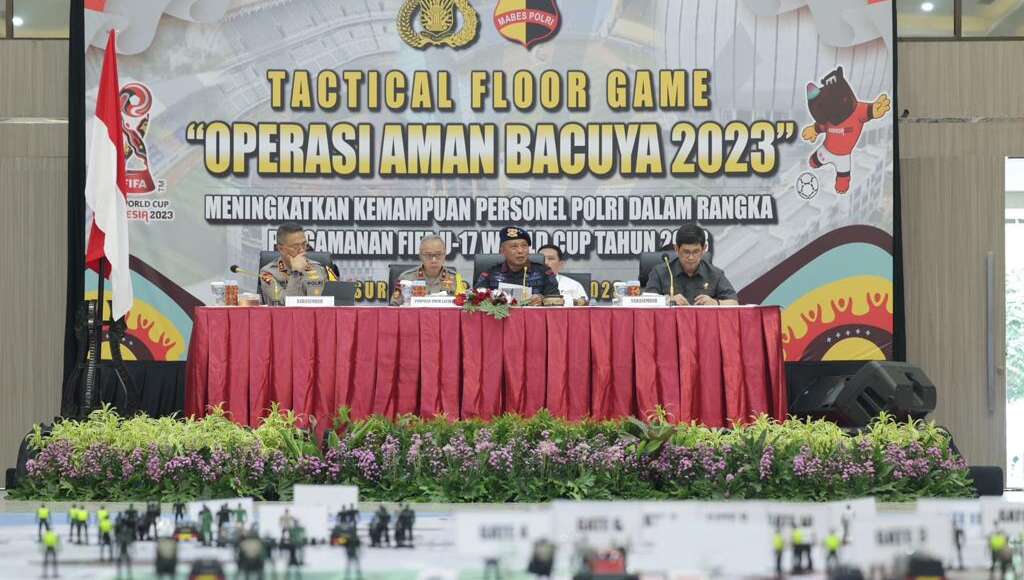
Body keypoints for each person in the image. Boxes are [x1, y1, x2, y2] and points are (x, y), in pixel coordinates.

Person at [644, 224, 738, 306]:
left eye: (696, 252)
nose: (691, 257)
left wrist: (715, 303)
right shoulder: (660, 272)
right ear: (676, 249)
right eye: (686, 252)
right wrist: (668, 300)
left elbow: (734, 302)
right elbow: (646, 301)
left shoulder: (715, 274)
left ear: (704, 249)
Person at [475, 226, 559, 305]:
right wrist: (492, 300)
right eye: (514, 247)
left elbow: (556, 300)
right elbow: (476, 299)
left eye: (524, 246)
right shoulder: (490, 274)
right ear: (502, 251)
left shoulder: (544, 272)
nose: (520, 251)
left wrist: (542, 299)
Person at [260, 223, 329, 303]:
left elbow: (330, 302)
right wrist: (295, 273)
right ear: (281, 249)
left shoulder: (318, 268)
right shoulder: (267, 274)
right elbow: (286, 304)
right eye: (295, 247)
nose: (302, 250)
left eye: (304, 244)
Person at [391, 235, 458, 305]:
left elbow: (463, 307)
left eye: (438, 254)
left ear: (444, 255)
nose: (434, 260)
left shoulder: (456, 279)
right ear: (420, 256)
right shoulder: (406, 278)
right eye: (428, 255)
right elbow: (394, 307)